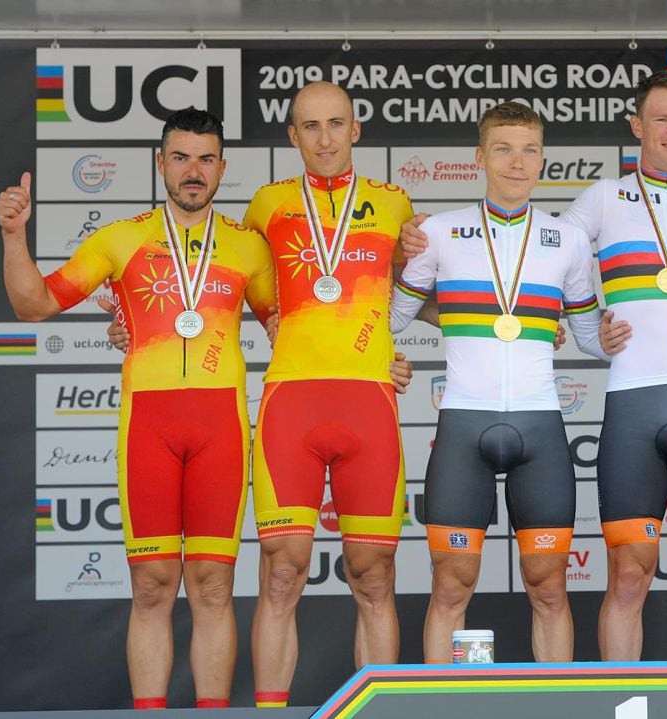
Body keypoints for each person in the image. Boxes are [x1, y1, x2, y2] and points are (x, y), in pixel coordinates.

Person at [402, 70, 667, 660]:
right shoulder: (599, 200)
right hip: (630, 404)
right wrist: (416, 256)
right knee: (628, 572)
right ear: (637, 127)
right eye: (662, 118)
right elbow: (524, 262)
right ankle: (615, 697)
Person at [0, 109, 276, 709]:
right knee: (151, 588)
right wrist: (14, 236)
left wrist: (375, 359)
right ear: (160, 164)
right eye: (180, 157)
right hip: (147, 425)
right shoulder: (119, 240)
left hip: (220, 424)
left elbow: (298, 329)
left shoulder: (249, 246)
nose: (193, 171)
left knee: (213, 586)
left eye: (205, 159)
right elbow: (34, 306)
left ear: (223, 168)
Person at [389, 101, 609, 663]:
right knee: (451, 585)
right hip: (464, 424)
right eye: (504, 149)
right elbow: (389, 317)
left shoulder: (569, 240)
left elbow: (588, 336)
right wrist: (385, 258)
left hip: (540, 427)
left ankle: (557, 708)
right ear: (480, 156)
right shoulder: (437, 233)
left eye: (530, 149)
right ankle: (440, 709)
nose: (518, 162)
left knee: (550, 586)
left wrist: (620, 334)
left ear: (543, 160)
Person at [241, 81, 414, 708]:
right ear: (292, 136)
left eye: (336, 123)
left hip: (370, 401)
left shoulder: (396, 205)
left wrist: (398, 352)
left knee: (374, 578)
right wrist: (125, 318)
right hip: (293, 403)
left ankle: (384, 708)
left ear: (356, 129)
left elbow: (421, 297)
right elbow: (221, 276)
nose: (324, 138)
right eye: (309, 126)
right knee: (281, 575)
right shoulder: (267, 203)